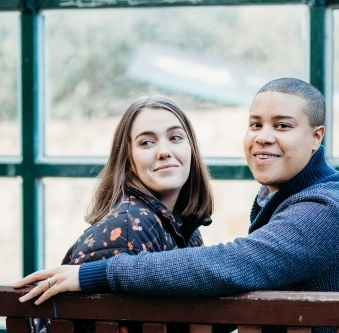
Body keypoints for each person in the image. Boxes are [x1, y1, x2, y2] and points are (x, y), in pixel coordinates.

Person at [15, 78, 339, 333]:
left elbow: (232, 264)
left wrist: (96, 274)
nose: (263, 137)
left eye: (282, 125)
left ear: (315, 138)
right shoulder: (131, 227)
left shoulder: (324, 211)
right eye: (255, 124)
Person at [25, 95, 213, 332]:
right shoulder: (129, 227)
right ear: (128, 160)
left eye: (175, 138)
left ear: (191, 150)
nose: (164, 151)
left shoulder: (183, 226)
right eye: (146, 143)